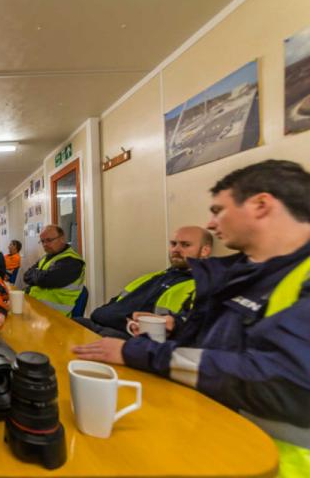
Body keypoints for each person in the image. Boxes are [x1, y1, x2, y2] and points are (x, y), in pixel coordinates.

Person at [73, 160, 310, 477]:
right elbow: (227, 343)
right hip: (208, 433)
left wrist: (137, 352)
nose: (212, 224)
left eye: (219, 210)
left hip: (272, 462)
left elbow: (281, 378)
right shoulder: (250, 273)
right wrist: (178, 327)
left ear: (261, 205)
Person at [74, 226, 213, 338]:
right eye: (173, 244)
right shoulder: (152, 277)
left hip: (123, 339)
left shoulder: (204, 285)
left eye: (185, 245)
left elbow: (191, 327)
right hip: (95, 324)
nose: (176, 249)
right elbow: (113, 304)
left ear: (205, 250)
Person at [24, 225, 85, 315]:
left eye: (49, 240)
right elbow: (26, 276)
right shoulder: (46, 257)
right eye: (42, 241)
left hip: (55, 315)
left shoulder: (72, 261)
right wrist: (39, 276)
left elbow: (47, 280)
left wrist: (37, 274)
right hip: (36, 309)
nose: (45, 245)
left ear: (62, 239)